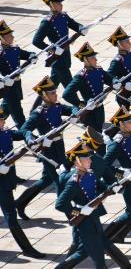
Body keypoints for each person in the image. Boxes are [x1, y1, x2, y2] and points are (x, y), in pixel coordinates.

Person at [55, 142, 131, 269]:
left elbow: (102, 188)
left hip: (94, 218)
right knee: (99, 260)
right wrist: (78, 211)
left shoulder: (90, 174)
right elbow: (60, 204)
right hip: (85, 223)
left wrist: (114, 187)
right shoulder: (74, 182)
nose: (90, 160)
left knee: (83, 252)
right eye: (86, 159)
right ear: (78, 162)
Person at [16, 76, 78, 220]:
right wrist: (31, 139)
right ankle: (73, 215)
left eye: (55, 92)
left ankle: (20, 203)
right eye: (52, 93)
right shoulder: (38, 113)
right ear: (44, 96)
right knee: (60, 181)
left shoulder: (57, 106)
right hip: (48, 152)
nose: (56, 95)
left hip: (59, 147)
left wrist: (75, 113)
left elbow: (72, 108)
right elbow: (25, 129)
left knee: (46, 180)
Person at [0, 108, 45, 258]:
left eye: (3, 119)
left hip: (4, 185)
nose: (3, 122)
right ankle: (27, 248)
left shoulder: (5, 133)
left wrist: (30, 138)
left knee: (11, 217)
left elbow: (22, 133)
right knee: (11, 218)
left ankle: (27, 249)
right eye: (0, 120)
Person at [32, 0, 85, 109]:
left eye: (61, 3)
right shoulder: (47, 22)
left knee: (50, 86)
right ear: (51, 4)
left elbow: (74, 25)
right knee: (69, 86)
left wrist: (81, 28)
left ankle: (35, 109)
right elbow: (36, 41)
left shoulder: (64, 17)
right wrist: (52, 48)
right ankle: (79, 108)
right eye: (57, 3)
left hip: (65, 56)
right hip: (57, 58)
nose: (61, 5)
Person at [62, 42, 115, 134]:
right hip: (90, 112)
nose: (96, 59)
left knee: (99, 132)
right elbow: (67, 94)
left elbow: (110, 78)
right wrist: (82, 104)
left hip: (100, 109)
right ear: (86, 60)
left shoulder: (99, 71)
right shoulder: (81, 76)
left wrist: (115, 82)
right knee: (93, 136)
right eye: (92, 58)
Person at [0, 20, 36, 128]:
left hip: (16, 85)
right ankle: (26, 136)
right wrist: (3, 79)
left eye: (11, 34)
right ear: (2, 38)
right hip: (7, 88)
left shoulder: (15, 49)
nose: (12, 37)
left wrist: (32, 56)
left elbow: (27, 54)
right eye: (9, 35)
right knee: (19, 116)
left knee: (5, 111)